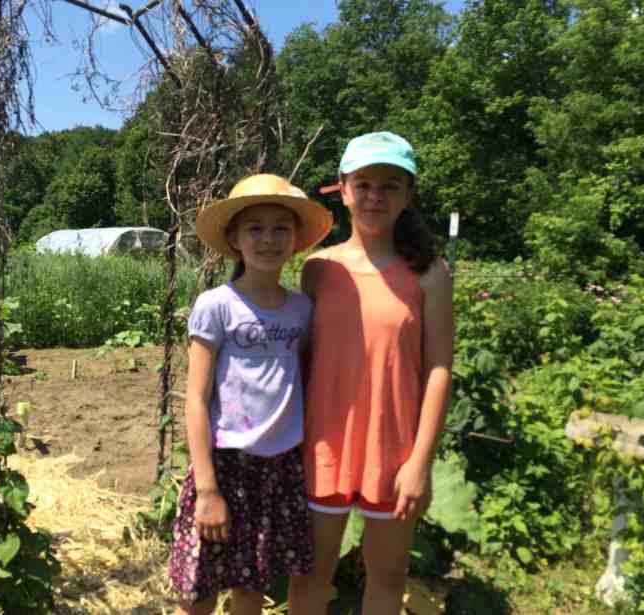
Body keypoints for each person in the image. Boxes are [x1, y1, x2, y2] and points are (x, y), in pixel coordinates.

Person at [289, 132, 454, 614]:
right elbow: (302, 362)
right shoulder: (319, 268)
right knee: (309, 578)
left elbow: (439, 368)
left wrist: (420, 462)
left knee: (386, 578)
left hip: (394, 453)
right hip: (322, 450)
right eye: (363, 184)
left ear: (408, 195)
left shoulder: (430, 273)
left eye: (390, 185)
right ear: (342, 190)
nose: (375, 196)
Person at [167, 174, 333, 615]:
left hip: (279, 470)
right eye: (255, 228)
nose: (268, 239)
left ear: (295, 240)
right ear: (235, 240)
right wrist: (207, 489)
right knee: (198, 590)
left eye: (281, 228)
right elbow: (197, 399)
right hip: (224, 465)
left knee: (251, 587)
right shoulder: (216, 305)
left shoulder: (302, 310)